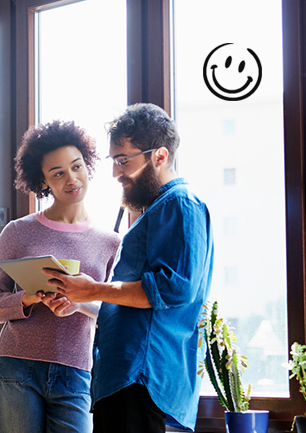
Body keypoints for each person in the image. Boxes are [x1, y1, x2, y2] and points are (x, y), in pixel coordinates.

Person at [45, 103, 214, 433]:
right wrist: (83, 301)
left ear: (160, 156)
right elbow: (136, 307)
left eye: (124, 160)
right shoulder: (158, 208)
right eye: (113, 161)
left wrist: (91, 288)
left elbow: (172, 289)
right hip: (125, 378)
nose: (115, 172)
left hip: (141, 378)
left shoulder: (180, 203)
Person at [0, 119, 121, 433]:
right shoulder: (17, 232)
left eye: (76, 166)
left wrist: (78, 302)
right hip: (16, 369)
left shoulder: (111, 243)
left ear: (88, 166)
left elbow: (116, 314)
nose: (72, 179)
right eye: (58, 173)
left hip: (76, 373)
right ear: (44, 181)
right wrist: (28, 298)